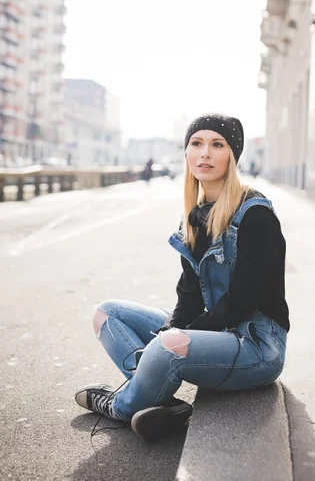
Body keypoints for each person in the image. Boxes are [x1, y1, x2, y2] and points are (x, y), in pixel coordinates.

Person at [75, 113, 290, 442]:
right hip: (214, 329)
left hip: (256, 346)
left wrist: (172, 337)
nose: (205, 153)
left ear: (232, 155)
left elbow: (242, 301)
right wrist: (172, 327)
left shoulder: (255, 215)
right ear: (187, 153)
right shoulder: (194, 217)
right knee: (107, 314)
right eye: (196, 143)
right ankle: (163, 403)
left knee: (167, 345)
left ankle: (121, 405)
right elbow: (189, 295)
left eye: (217, 145)